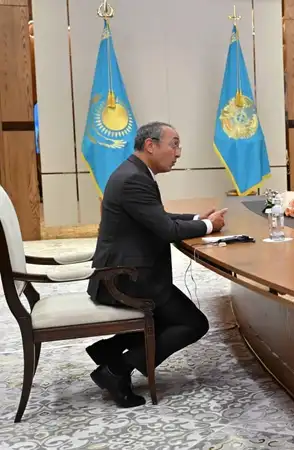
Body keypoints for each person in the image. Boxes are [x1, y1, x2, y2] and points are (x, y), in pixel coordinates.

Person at [85, 121, 227, 408]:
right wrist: (209, 227)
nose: (178, 153)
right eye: (173, 145)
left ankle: (109, 350)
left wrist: (197, 219)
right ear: (150, 145)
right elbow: (167, 230)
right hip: (125, 279)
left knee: (171, 318)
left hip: (126, 272)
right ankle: (116, 369)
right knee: (193, 323)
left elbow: (156, 217)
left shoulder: (133, 172)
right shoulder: (134, 179)